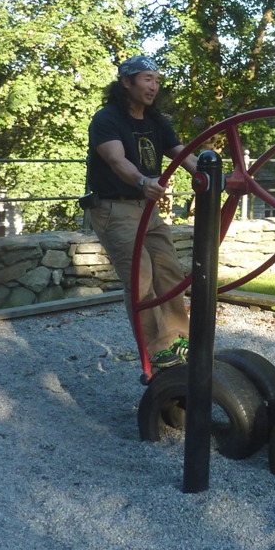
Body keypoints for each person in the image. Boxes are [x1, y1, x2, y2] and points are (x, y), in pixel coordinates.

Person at [86, 54, 197, 368]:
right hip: (114, 208)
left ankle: (179, 341)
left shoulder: (156, 121)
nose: (154, 86)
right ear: (126, 82)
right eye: (148, 79)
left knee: (170, 272)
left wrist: (212, 176)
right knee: (141, 278)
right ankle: (156, 350)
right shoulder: (107, 119)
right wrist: (142, 180)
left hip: (147, 209)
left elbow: (183, 155)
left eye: (157, 80)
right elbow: (116, 161)